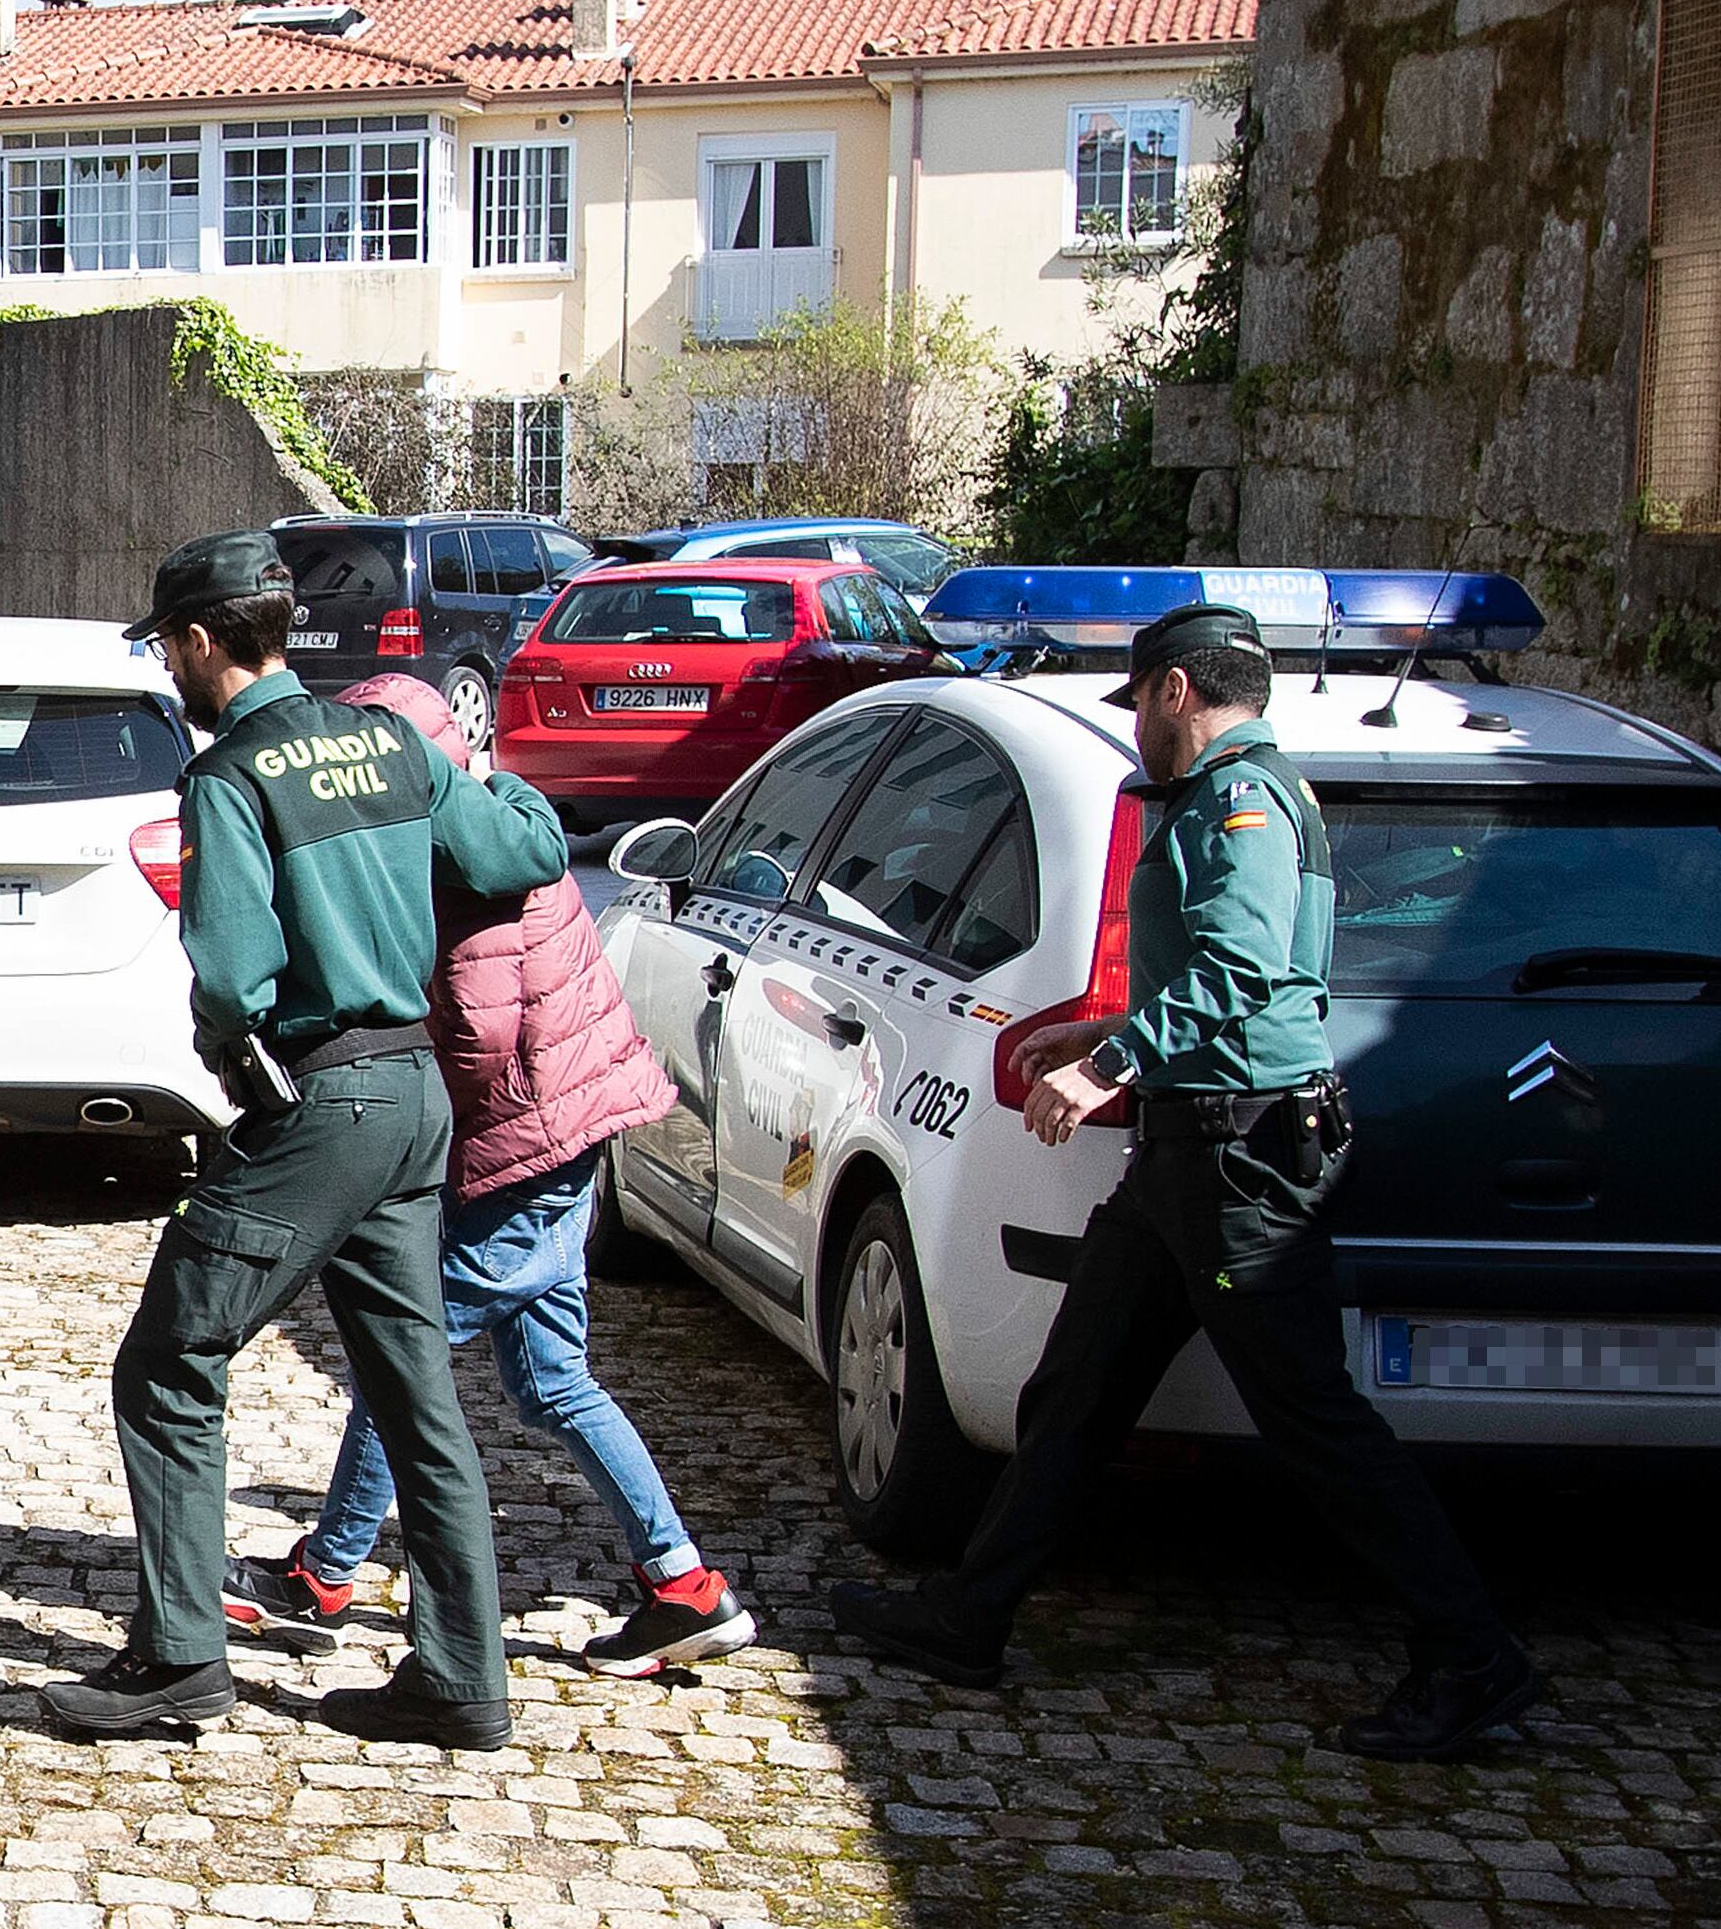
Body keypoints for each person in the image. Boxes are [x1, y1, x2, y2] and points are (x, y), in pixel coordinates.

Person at [828, 602, 1541, 1761]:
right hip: (1185, 1154)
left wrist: (1110, 1061)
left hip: (1239, 1164)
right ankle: (972, 1615)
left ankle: (1473, 1655)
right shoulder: (1234, 797)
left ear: (1173, 691)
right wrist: (1109, 1028)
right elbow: (1224, 980)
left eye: (1142, 702)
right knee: (1080, 1386)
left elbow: (1244, 971)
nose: (1141, 730)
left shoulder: (1243, 802)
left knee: (1314, 1421)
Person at [40, 534, 568, 1748]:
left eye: (167, 646)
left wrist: (234, 1045)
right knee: (415, 1391)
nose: (169, 666)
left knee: (169, 1362)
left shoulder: (231, 779)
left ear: (196, 643)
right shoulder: (390, 742)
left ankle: (180, 1657)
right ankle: (462, 1676)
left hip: (317, 1103)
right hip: (415, 1100)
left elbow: (230, 973)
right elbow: (520, 855)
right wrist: (500, 769)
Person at [216, 674, 752, 1679]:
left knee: (397, 1358)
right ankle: (684, 1587)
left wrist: (401, 1128)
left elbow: (474, 1036)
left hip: (520, 1148)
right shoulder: (503, 818)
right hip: (568, 1138)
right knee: (553, 1382)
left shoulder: (455, 873)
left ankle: (324, 1578)